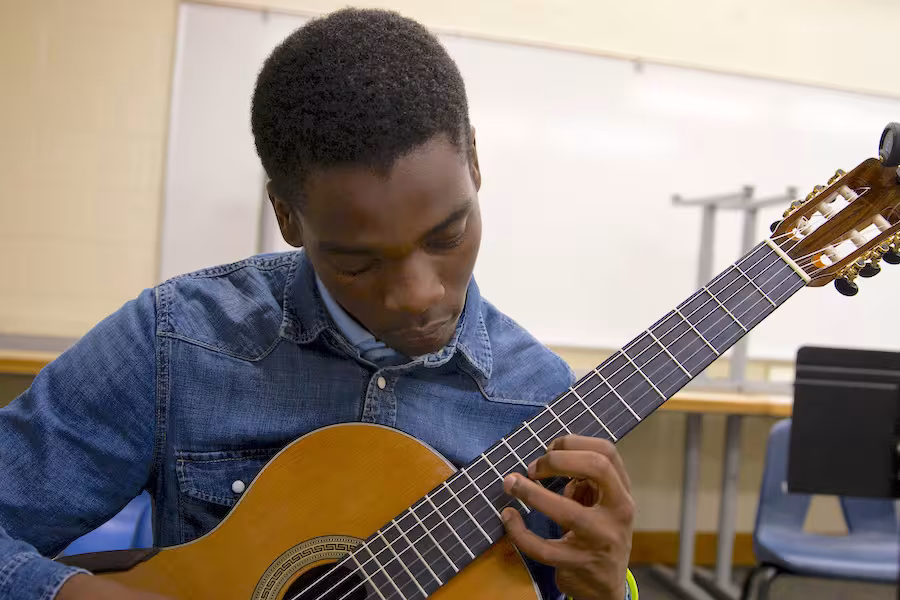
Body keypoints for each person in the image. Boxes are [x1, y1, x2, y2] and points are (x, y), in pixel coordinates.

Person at [0, 8, 636, 600]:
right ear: (286, 216)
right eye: (358, 262)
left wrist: (608, 589)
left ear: (473, 158)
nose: (419, 295)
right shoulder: (175, 342)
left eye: (447, 236)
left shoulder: (543, 400)